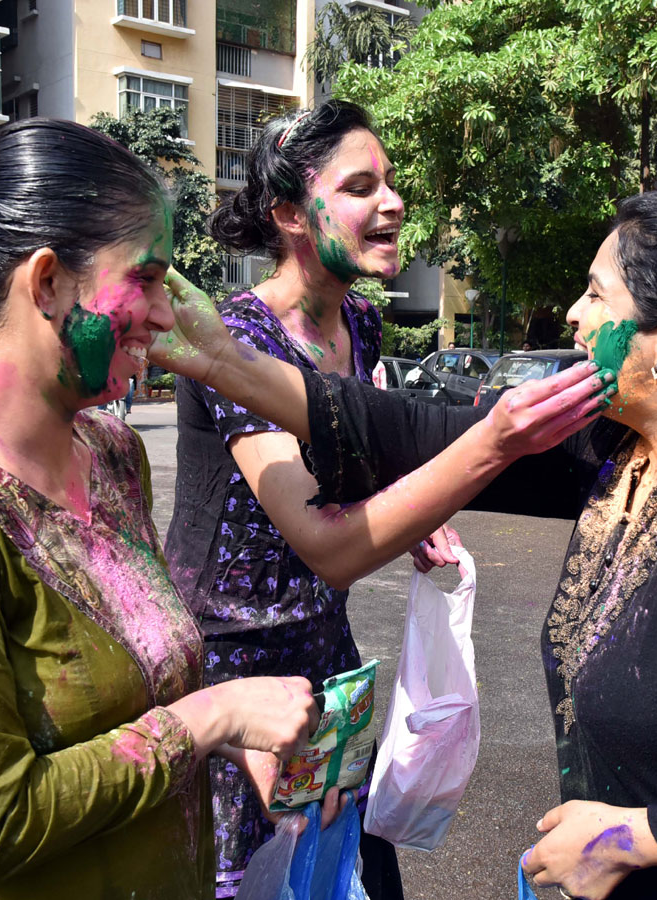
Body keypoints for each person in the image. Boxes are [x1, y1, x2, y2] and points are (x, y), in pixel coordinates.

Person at [169, 191, 657, 899]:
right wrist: (223, 360)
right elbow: (402, 426)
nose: (572, 316)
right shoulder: (615, 455)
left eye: (596, 295)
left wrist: (630, 838)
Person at [0, 119, 331, 900]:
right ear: (48, 281)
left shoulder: (113, 455)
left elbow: (132, 695)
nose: (168, 315)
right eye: (149, 278)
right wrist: (210, 720)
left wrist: (231, 742)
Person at [166, 99, 460, 900]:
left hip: (323, 659)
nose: (393, 202)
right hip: (232, 677)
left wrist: (411, 524)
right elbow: (322, 537)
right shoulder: (237, 341)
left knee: (349, 877)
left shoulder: (358, 325)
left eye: (390, 182)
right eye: (362, 186)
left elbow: (357, 463)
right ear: (291, 213)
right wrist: (489, 451)